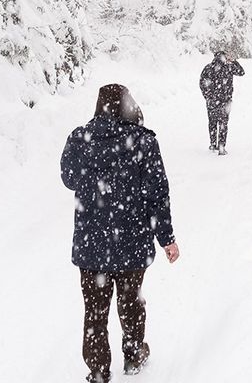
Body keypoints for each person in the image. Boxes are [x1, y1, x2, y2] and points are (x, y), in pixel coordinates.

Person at [60, 84, 180, 381]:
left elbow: (69, 178)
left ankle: (99, 370)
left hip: (92, 245)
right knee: (131, 302)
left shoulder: (79, 139)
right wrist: (166, 238)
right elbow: (157, 194)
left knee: (95, 311)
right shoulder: (143, 141)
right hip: (132, 241)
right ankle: (134, 352)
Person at [199, 50, 245, 154]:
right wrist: (234, 61)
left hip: (212, 102)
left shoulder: (208, 68)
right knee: (223, 124)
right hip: (225, 101)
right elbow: (241, 72)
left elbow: (202, 83)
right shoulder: (229, 67)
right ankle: (221, 147)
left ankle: (213, 144)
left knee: (212, 123)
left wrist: (208, 97)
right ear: (224, 57)